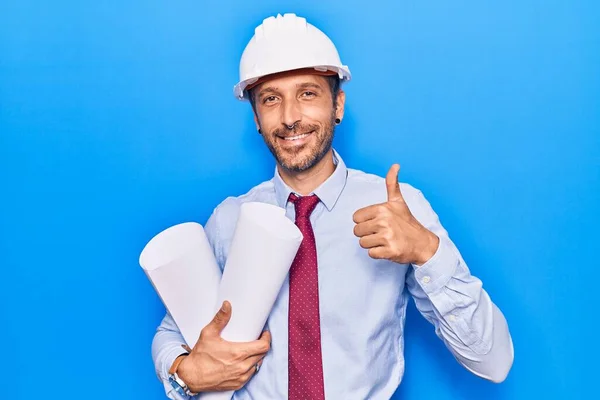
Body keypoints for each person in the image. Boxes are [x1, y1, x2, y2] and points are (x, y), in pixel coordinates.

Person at [151, 13, 514, 400]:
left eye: (307, 93)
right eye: (271, 99)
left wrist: (428, 252)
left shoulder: (396, 209)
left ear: (338, 105)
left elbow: (492, 362)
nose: (290, 118)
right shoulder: (229, 220)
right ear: (256, 117)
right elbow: (173, 333)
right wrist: (185, 374)